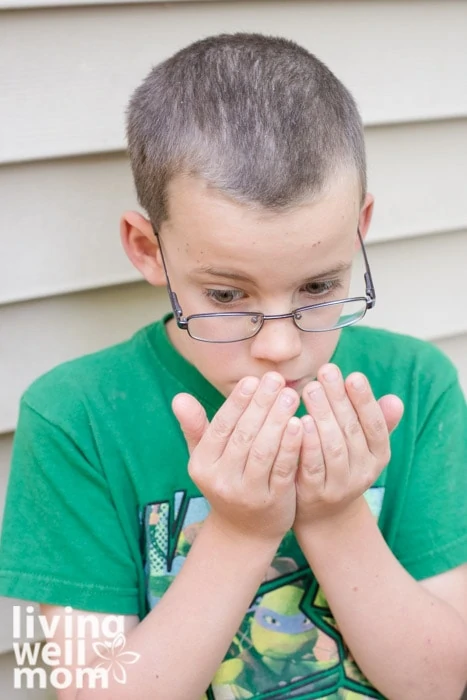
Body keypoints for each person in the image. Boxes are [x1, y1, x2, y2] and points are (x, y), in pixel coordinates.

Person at [0, 33, 466, 700]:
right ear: (147, 249)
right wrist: (240, 533)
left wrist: (335, 519)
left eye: (316, 288)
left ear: (357, 234)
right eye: (225, 296)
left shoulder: (415, 388)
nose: (279, 346)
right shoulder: (76, 419)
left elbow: (440, 684)